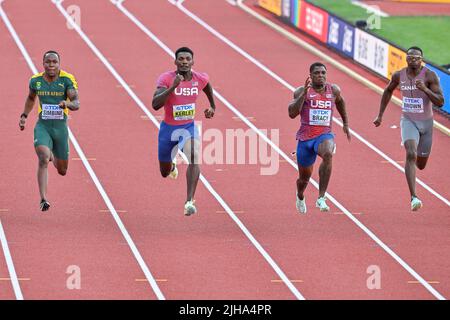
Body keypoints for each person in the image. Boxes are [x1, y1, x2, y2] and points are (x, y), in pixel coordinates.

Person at [374, 46, 444, 211]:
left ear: (422, 59)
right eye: (410, 57)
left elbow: (440, 102)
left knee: (421, 164)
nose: (413, 59)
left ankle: (419, 165)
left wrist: (425, 89)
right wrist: (380, 115)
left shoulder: (429, 75)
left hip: (426, 124)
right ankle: (414, 197)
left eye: (416, 57)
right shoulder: (399, 75)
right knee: (410, 153)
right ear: (406, 59)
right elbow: (388, 91)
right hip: (408, 121)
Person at [152, 47, 216, 216]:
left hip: (188, 128)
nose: (184, 62)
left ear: (192, 62)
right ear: (175, 62)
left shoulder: (199, 78)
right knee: (164, 172)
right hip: (168, 130)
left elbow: (207, 86)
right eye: (181, 59)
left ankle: (189, 201)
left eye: (188, 59)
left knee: (194, 157)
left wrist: (212, 106)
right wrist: (173, 87)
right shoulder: (166, 78)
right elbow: (155, 104)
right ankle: (172, 165)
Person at [19, 50, 80, 211]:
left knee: (62, 170)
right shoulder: (36, 81)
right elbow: (31, 98)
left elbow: (76, 103)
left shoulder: (67, 80)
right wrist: (24, 115)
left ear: (59, 64)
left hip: (60, 127)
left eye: (54, 62)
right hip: (43, 126)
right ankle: (43, 199)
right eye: (48, 62)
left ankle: (54, 154)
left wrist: (66, 104)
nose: (51, 65)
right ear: (43, 63)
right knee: (43, 158)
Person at [288, 62, 351, 214]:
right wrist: (303, 94)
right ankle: (300, 195)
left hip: (323, 135)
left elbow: (341, 102)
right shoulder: (300, 91)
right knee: (303, 179)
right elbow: (291, 113)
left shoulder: (333, 90)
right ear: (310, 76)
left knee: (328, 153)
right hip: (305, 139)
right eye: (317, 73)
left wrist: (346, 123)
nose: (320, 76)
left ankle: (321, 197)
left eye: (323, 73)